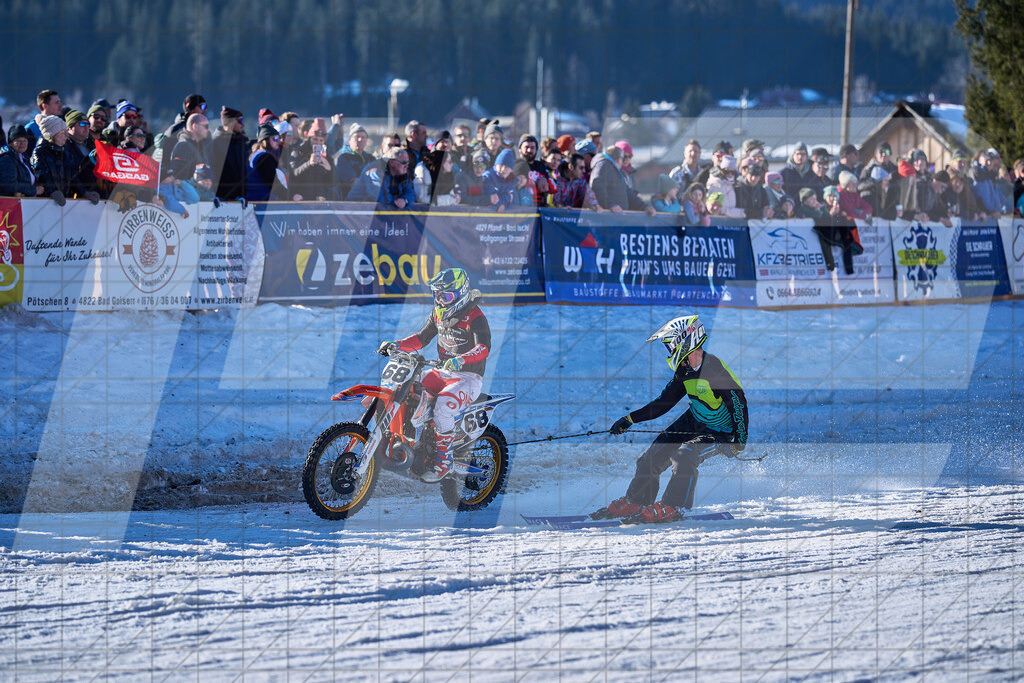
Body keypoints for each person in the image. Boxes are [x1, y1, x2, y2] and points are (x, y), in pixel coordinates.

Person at [597, 315, 748, 522]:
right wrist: (630, 419)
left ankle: (674, 506)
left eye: (670, 346)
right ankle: (636, 501)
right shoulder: (684, 370)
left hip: (719, 430)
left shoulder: (715, 371)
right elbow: (664, 402)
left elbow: (738, 405)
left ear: (684, 341)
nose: (669, 352)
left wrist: (739, 442)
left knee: (684, 455)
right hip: (694, 419)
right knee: (654, 454)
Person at [377, 268, 491, 483]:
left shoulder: (476, 316)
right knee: (404, 387)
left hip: (468, 377)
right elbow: (421, 338)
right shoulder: (437, 314)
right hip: (442, 372)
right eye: (437, 295)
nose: (440, 300)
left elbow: (483, 348)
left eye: (445, 296)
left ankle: (444, 462)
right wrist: (397, 345)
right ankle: (404, 440)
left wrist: (461, 359)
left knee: (443, 406)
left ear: (460, 294)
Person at [590, 145, 655, 214]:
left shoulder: (616, 171)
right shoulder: (604, 166)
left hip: (619, 216)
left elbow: (628, 192)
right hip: (607, 216)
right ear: (618, 159)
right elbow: (597, 187)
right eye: (623, 159)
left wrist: (644, 207)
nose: (623, 162)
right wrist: (611, 205)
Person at [210, 106, 248, 202]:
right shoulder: (215, 142)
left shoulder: (240, 142)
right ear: (231, 122)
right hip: (221, 199)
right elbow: (213, 171)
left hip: (240, 199)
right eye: (240, 121)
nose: (243, 124)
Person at [0, 125, 44, 197]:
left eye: (25, 140)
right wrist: (34, 190)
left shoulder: (24, 158)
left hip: (26, 201)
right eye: (18, 141)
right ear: (11, 143)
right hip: (11, 202)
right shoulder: (7, 159)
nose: (22, 143)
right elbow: (9, 185)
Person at [246, 124, 284, 202]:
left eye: (279, 138)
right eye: (275, 138)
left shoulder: (257, 154)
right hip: (261, 201)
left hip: (254, 200)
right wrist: (291, 196)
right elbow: (274, 184)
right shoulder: (265, 158)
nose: (279, 141)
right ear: (266, 140)